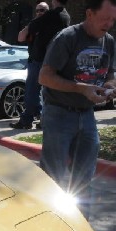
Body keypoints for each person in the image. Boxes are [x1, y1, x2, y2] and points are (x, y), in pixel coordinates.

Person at [38, 0, 116, 212]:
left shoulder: (108, 41)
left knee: (84, 175)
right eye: (104, 18)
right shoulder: (67, 37)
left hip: (87, 114)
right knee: (52, 176)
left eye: (112, 19)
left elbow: (110, 73)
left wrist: (110, 86)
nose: (109, 24)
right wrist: (81, 88)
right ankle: (46, 222)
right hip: (59, 113)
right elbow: (44, 77)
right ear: (90, 14)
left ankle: (80, 228)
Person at [10, 0, 69, 129]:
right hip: (47, 61)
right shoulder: (65, 16)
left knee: (32, 91)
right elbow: (20, 37)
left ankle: (27, 120)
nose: (39, 13)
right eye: (37, 10)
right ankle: (42, 119)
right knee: (44, 93)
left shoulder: (51, 17)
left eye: (42, 10)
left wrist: (35, 22)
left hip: (40, 61)